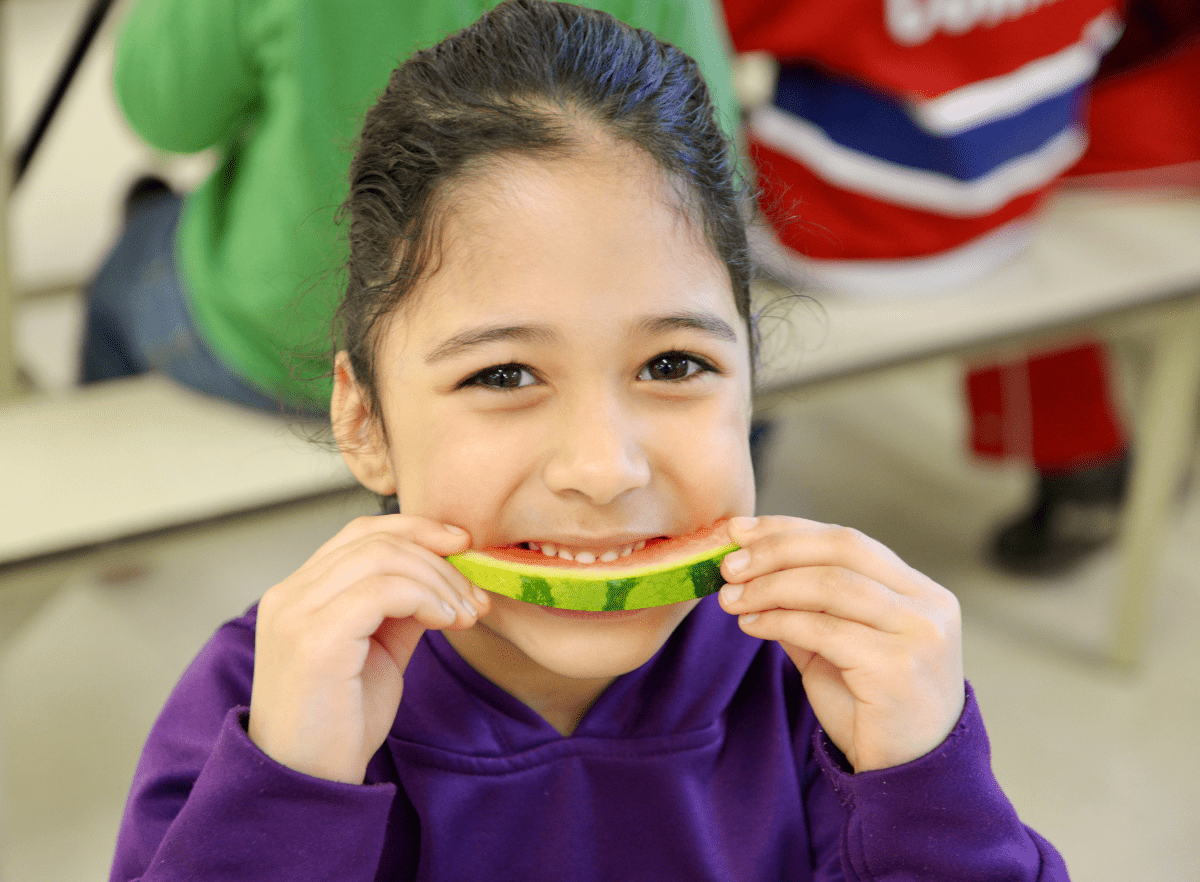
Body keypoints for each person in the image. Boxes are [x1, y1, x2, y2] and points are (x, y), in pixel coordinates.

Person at [109, 3, 1070, 879]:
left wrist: (927, 791)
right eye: (503, 375)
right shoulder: (262, 702)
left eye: (675, 365)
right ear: (364, 420)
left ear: (752, 383)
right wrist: (289, 792)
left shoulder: (827, 696)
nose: (604, 470)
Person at [82, 0, 739, 416]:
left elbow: (164, 115)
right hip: (566, 364)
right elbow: (717, 168)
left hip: (287, 343)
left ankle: (107, 540)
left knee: (133, 259)